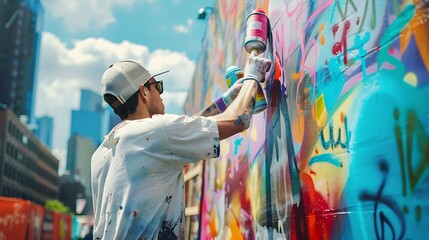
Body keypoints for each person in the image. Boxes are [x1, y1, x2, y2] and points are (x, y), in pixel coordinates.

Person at [91, 54, 271, 239]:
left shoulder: (102, 153)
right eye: (157, 87)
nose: (161, 95)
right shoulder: (156, 131)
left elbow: (185, 131)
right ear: (144, 91)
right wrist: (252, 76)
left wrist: (226, 100)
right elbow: (238, 120)